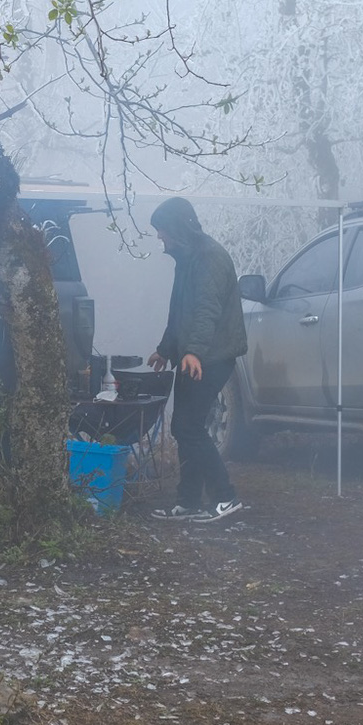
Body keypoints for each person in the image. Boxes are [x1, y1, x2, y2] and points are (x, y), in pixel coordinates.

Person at [147, 197, 248, 521]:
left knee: (188, 426)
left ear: (176, 227)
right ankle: (188, 501)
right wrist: (166, 349)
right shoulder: (188, 258)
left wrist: (193, 351)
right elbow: (180, 312)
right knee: (184, 426)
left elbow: (207, 310)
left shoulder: (210, 258)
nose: (159, 236)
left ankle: (226, 497)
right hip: (195, 356)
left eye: (161, 229)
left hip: (211, 357)